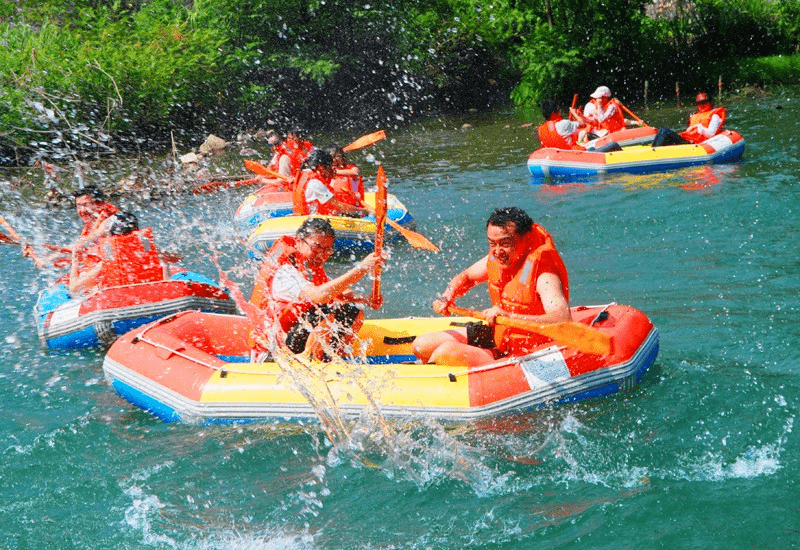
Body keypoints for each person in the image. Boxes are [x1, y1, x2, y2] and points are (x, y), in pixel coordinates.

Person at [413, 207, 570, 367]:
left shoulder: (544, 273)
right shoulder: (496, 259)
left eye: (505, 243)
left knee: (445, 352)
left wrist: (510, 317)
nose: (497, 251)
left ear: (526, 238)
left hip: (529, 349)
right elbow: (466, 277)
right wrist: (447, 296)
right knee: (421, 344)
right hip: (501, 335)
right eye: (492, 243)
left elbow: (562, 318)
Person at [250, 217, 384, 359]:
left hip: (293, 337)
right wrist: (362, 268)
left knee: (353, 310)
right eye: (316, 248)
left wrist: (364, 299)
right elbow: (320, 295)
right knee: (323, 311)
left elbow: (336, 291)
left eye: (327, 250)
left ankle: (336, 360)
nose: (321, 254)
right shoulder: (285, 272)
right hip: (271, 353)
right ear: (299, 241)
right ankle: (313, 361)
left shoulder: (310, 268)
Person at [68, 211, 165, 294]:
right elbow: (176, 259)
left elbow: (75, 288)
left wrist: (74, 264)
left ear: (112, 236)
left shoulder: (108, 262)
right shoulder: (150, 251)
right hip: (152, 294)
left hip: (121, 302)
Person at [293, 149, 370, 217]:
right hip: (312, 222)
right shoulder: (315, 183)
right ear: (321, 167)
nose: (331, 171)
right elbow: (339, 206)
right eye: (329, 167)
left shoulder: (305, 174)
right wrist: (365, 211)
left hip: (304, 217)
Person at [651, 92, 727, 147]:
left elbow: (711, 133)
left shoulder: (715, 116)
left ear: (711, 103)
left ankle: (653, 152)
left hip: (694, 144)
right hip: (687, 140)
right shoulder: (694, 115)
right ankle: (653, 149)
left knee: (665, 131)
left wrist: (698, 127)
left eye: (704, 102)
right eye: (699, 103)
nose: (701, 105)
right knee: (662, 131)